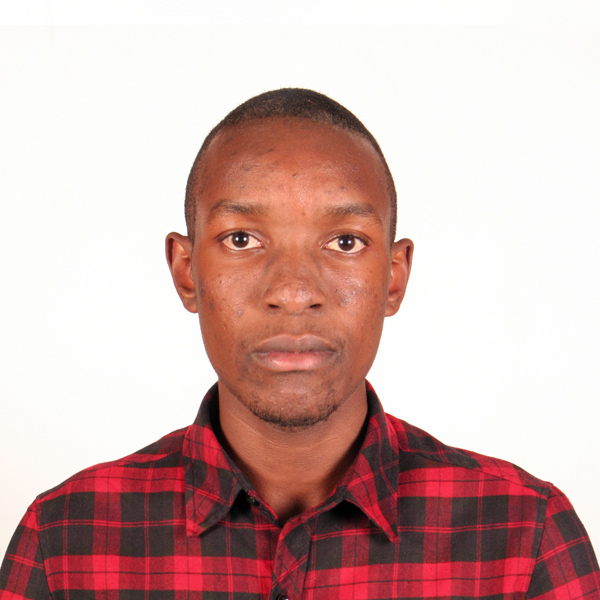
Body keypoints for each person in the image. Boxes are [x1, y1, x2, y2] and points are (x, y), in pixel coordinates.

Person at [1, 88, 598, 600]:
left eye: (344, 242)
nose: (292, 292)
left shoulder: (526, 539)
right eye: (241, 239)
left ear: (394, 279)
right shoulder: (64, 543)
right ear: (186, 273)